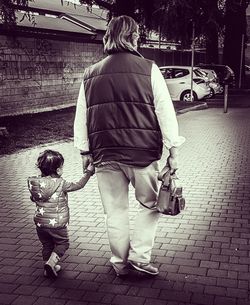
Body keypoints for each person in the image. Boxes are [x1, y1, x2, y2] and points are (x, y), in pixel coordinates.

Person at [74, 15, 185, 276]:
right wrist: (173, 150)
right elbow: (165, 111)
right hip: (141, 154)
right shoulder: (149, 68)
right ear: (134, 36)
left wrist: (84, 151)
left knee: (114, 211)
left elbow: (82, 115)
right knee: (150, 205)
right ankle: (140, 256)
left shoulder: (90, 74)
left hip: (105, 154)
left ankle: (120, 263)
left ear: (108, 36)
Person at [27, 149, 94, 278]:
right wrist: (88, 172)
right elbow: (79, 185)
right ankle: (51, 264)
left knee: (47, 244)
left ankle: (48, 268)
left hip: (41, 223)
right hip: (57, 223)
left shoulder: (35, 185)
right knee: (63, 243)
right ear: (58, 170)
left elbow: (33, 198)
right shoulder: (61, 183)